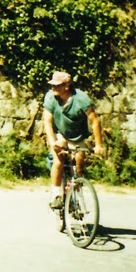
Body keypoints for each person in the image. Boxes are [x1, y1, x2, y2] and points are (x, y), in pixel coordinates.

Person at [42, 71, 104, 209]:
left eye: (56, 86)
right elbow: (47, 121)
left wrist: (99, 145)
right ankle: (56, 195)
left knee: (78, 164)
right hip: (59, 134)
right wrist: (53, 142)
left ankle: (72, 193)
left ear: (66, 86)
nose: (53, 88)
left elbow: (95, 121)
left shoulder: (81, 99)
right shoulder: (51, 97)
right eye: (52, 85)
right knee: (59, 160)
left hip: (77, 136)